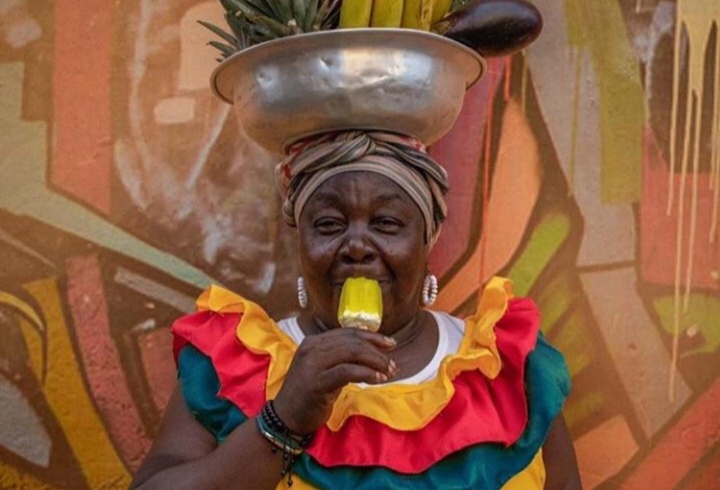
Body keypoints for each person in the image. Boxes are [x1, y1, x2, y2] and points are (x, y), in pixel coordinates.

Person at [131, 131, 581, 489]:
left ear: (428, 242)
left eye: (387, 224)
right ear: (300, 244)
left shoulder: (508, 371)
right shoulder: (232, 363)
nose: (358, 246)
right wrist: (284, 418)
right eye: (329, 225)